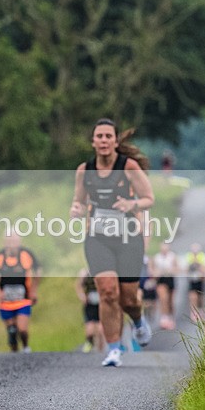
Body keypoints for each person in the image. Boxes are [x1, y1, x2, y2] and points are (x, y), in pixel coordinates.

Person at [69, 118, 155, 367]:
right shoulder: (84, 170)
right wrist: (76, 209)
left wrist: (132, 204)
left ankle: (138, 320)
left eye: (109, 136)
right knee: (107, 292)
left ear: (116, 141)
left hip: (128, 239)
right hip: (98, 239)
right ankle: (114, 349)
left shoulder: (128, 167)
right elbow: (79, 201)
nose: (104, 140)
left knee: (128, 299)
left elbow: (149, 198)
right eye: (100, 136)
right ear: (93, 141)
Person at [0, 234, 41, 353]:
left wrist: (33, 290)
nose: (12, 244)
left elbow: (38, 271)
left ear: (20, 242)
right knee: (11, 330)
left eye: (15, 241)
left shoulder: (26, 254)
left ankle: (26, 347)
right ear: (5, 242)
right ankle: (14, 354)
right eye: (9, 241)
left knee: (22, 329)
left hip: (23, 299)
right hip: (6, 301)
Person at [76, 267, 104, 353]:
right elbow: (78, 285)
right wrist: (82, 296)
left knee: (100, 328)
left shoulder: (103, 272)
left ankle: (100, 350)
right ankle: (89, 343)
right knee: (90, 327)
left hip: (101, 303)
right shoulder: (85, 272)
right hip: (90, 303)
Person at [153, 242, 178, 330]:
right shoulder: (157, 258)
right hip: (161, 280)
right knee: (163, 298)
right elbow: (153, 270)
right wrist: (156, 274)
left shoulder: (172, 256)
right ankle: (164, 317)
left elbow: (177, 268)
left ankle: (170, 317)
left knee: (170, 301)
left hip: (170, 279)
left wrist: (171, 270)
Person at [185, 243, 205, 323]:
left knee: (200, 297)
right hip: (192, 280)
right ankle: (194, 312)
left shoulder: (202, 256)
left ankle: (200, 310)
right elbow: (186, 269)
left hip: (200, 280)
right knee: (193, 296)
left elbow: (204, 269)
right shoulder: (189, 256)